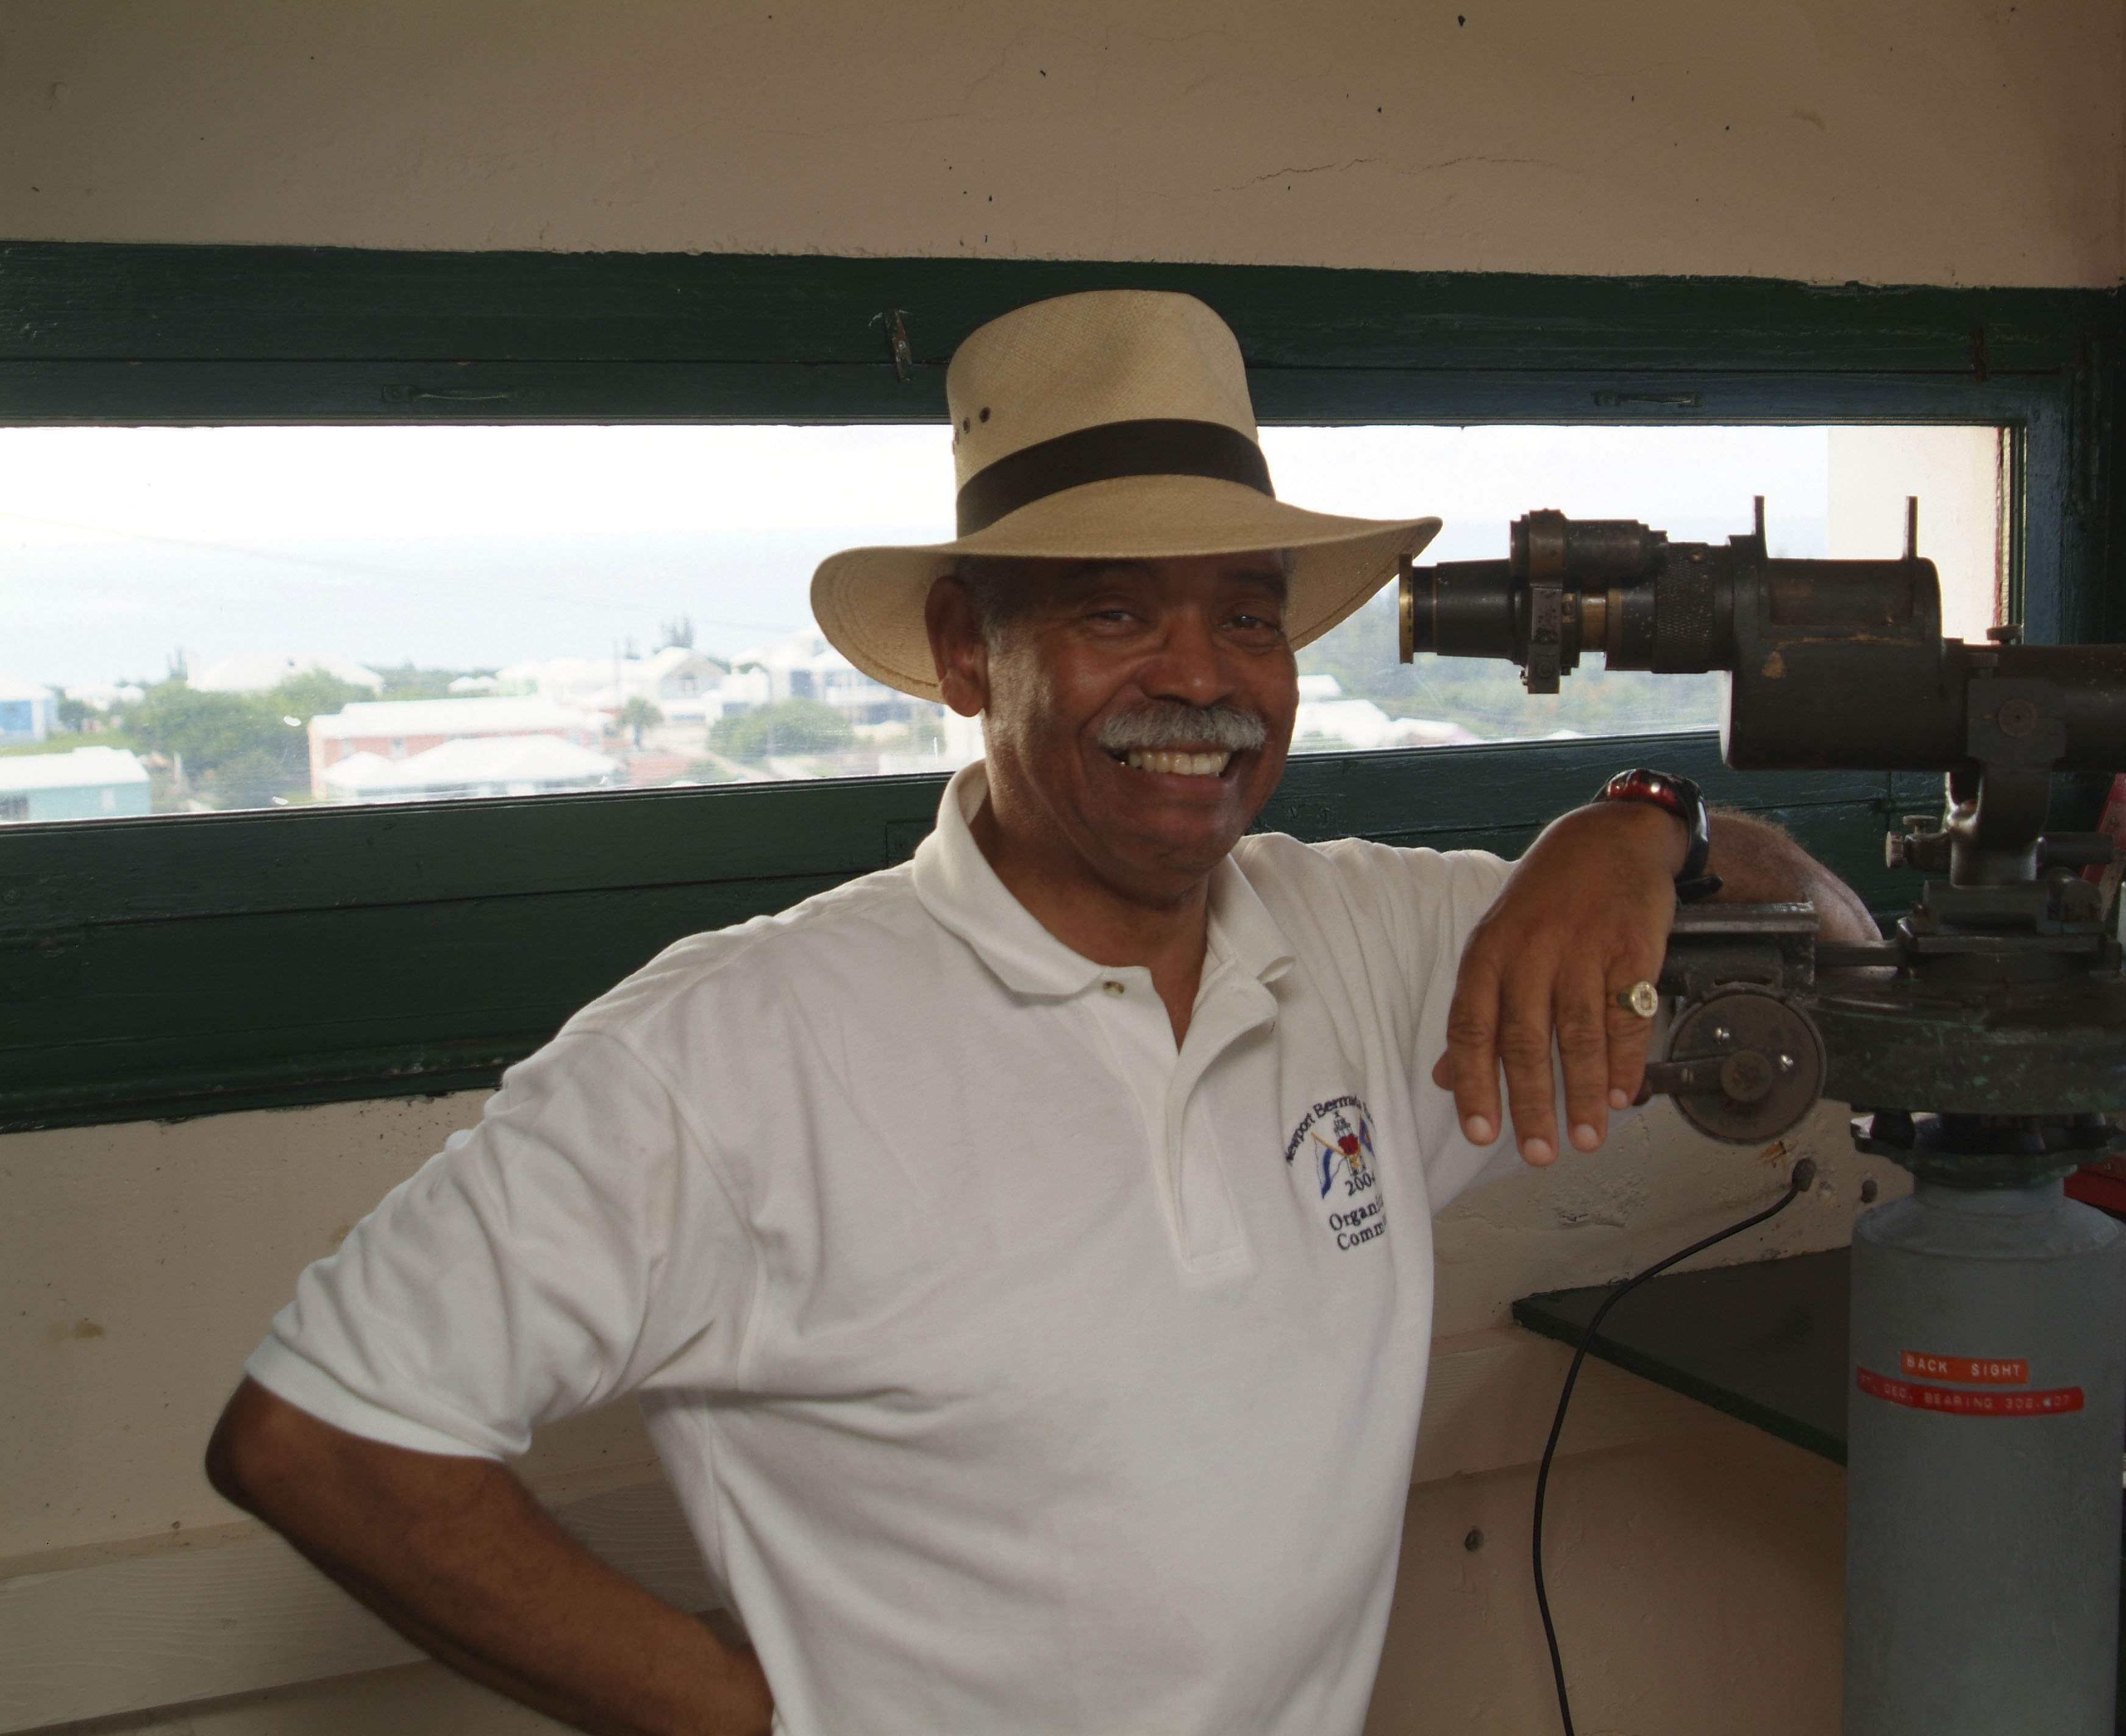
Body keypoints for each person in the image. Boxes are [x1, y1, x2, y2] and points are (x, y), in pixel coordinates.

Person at [204, 290, 1876, 1736]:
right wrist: (734, 1717)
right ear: (961, 651)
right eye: (1113, 612)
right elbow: (324, 1434)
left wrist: (1649, 827)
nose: (1203, 678)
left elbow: (1843, 949)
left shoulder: (1386, 943)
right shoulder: (728, 1054)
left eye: (1246, 613)